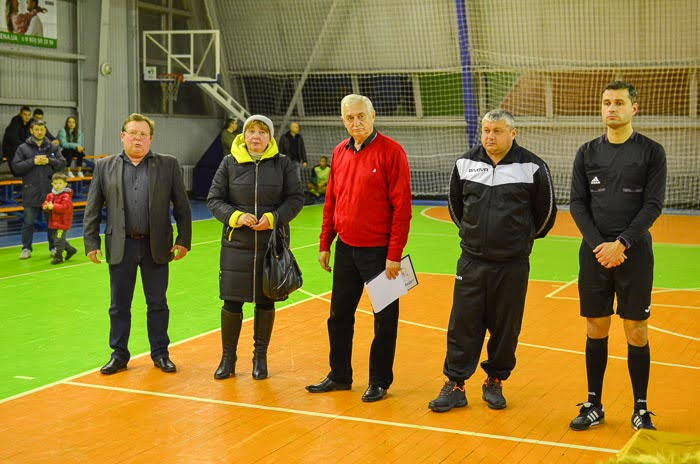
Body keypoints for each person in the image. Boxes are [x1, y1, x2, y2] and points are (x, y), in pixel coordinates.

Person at [428, 109, 556, 413]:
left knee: (506, 327)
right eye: (485, 130)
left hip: (512, 265)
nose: (489, 137)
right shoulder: (465, 163)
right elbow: (456, 208)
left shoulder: (533, 167)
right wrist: (475, 239)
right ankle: (456, 384)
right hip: (471, 262)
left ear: (513, 133)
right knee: (462, 324)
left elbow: (546, 215)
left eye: (497, 131)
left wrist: (517, 242)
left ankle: (495, 381)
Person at [568, 81, 666, 432]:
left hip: (634, 254)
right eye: (607, 103)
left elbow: (653, 205)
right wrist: (600, 246)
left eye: (619, 103)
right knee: (596, 327)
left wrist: (621, 244)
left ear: (633, 109)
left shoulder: (651, 152)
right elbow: (577, 203)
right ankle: (594, 403)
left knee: (636, 330)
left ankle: (641, 408)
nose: (612, 108)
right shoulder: (587, 152)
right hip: (595, 254)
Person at [305, 94, 412, 402]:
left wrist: (394, 254)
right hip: (346, 250)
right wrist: (325, 242)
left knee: (385, 318)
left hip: (380, 254)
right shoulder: (339, 152)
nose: (356, 122)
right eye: (350, 118)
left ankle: (379, 381)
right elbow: (331, 201)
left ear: (373, 115)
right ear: (343, 120)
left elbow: (402, 209)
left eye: (361, 116)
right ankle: (339, 375)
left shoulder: (393, 153)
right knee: (338, 316)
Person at [83, 113, 192, 375]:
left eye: (143, 134)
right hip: (122, 246)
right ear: (122, 136)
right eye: (132, 133)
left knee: (158, 303)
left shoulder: (168, 165)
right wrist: (91, 242)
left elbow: (182, 206)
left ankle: (160, 354)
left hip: (157, 246)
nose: (138, 138)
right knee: (119, 305)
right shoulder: (104, 167)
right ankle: (119, 354)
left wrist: (183, 240)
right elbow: (92, 208)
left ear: (151, 138)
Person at [207, 115, 304, 380]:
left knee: (265, 300)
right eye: (252, 131)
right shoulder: (229, 163)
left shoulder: (283, 164)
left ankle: (259, 358)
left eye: (262, 132)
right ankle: (228, 358)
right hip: (236, 245)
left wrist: (273, 219)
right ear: (244, 135)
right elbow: (214, 199)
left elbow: (296, 199)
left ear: (270, 137)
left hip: (271, 246)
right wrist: (236, 217)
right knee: (232, 303)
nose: (256, 137)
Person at [11, 119, 65, 259]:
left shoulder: (52, 148)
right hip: (30, 191)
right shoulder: (23, 148)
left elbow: (62, 164)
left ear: (45, 130)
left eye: (42, 129)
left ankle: (53, 247)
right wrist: (32, 162)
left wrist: (50, 160)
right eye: (37, 129)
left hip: (49, 192)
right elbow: (16, 167)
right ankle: (26, 249)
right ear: (31, 130)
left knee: (52, 222)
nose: (40, 132)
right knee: (28, 222)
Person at [42, 172, 77, 264]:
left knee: (58, 240)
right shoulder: (50, 195)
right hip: (53, 221)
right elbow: (45, 203)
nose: (57, 185)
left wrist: (53, 206)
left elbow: (64, 207)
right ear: (52, 184)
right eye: (55, 183)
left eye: (60, 183)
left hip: (62, 222)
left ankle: (58, 257)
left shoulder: (66, 196)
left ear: (65, 184)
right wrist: (45, 207)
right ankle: (70, 250)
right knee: (57, 239)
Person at [2, 105, 32, 176]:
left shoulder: (28, 124)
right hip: (10, 149)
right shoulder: (15, 123)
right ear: (21, 114)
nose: (27, 117)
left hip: (20, 148)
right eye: (25, 114)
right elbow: (13, 140)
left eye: (29, 115)